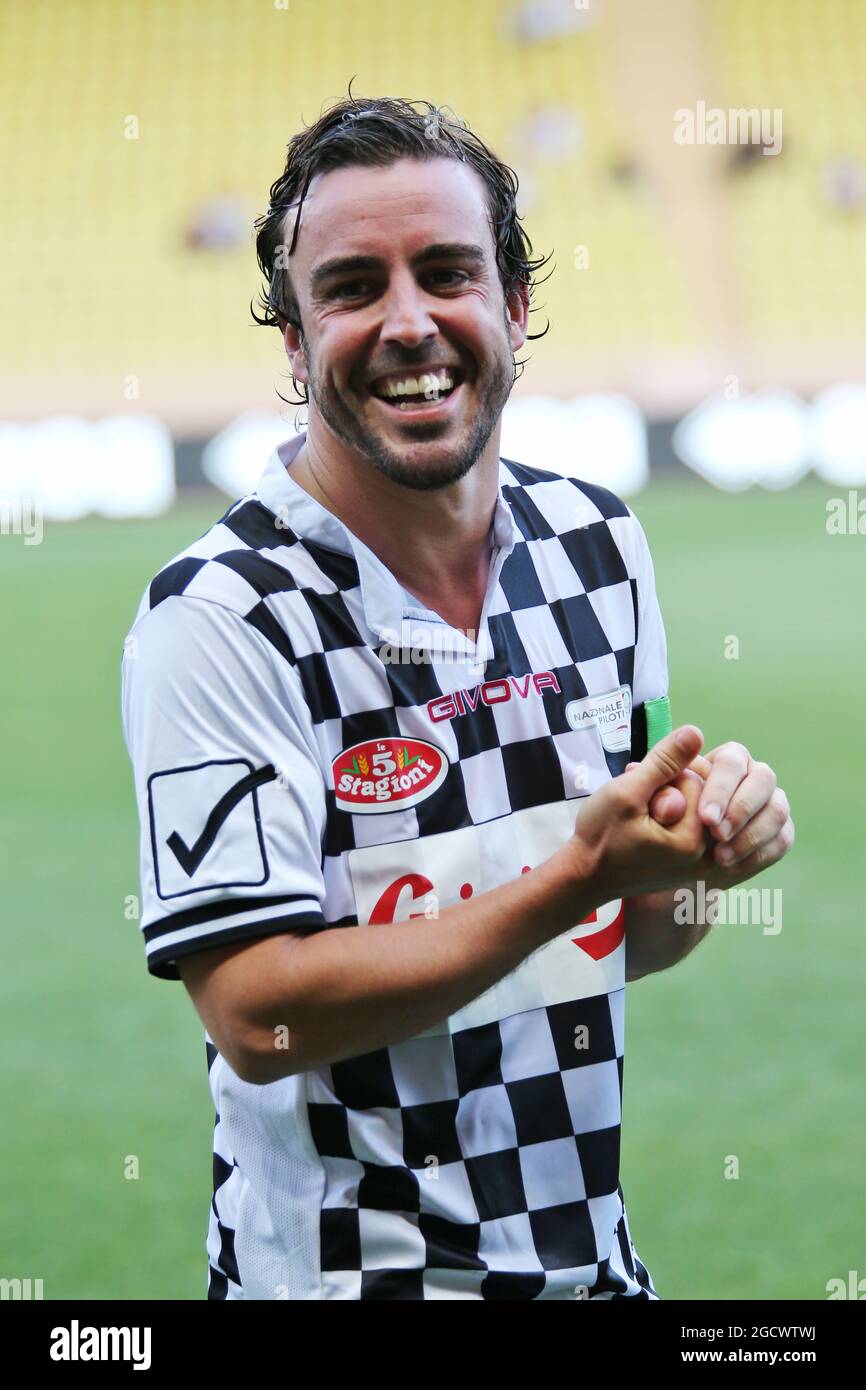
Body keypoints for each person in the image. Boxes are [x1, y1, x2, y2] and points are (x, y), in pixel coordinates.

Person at [121, 95, 794, 1300]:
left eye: (446, 272)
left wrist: (693, 857)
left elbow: (627, 935)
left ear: (514, 306)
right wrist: (577, 878)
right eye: (350, 286)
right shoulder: (220, 615)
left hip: (590, 1268)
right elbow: (257, 1018)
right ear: (291, 339)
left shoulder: (597, 543)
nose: (407, 322)